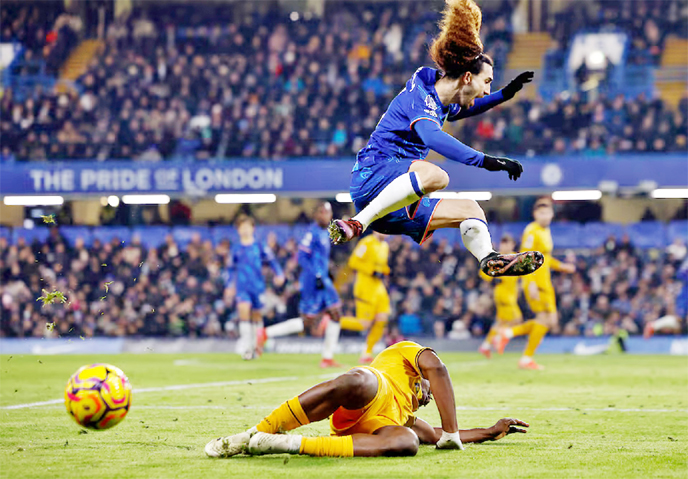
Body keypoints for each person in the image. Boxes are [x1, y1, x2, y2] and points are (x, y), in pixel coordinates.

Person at [329, 0, 543, 279]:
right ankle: (357, 223)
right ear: (467, 77)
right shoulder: (421, 96)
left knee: (471, 209)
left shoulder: (441, 99)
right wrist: (489, 162)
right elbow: (432, 137)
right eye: (487, 82)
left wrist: (505, 94)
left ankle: (489, 259)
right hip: (373, 176)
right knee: (437, 176)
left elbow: (464, 109)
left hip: (394, 205)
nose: (486, 90)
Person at [205, 341, 529, 458]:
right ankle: (254, 433)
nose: (428, 395)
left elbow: (437, 437)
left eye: (427, 398)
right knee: (356, 380)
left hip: (361, 432)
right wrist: (452, 431)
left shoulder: (407, 417)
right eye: (428, 389)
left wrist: (490, 431)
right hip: (370, 389)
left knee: (408, 442)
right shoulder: (402, 356)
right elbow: (437, 368)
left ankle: (281, 444)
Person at [493, 198, 575, 370]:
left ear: (552, 214)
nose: (545, 216)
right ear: (535, 214)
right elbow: (526, 257)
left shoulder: (546, 231)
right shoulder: (531, 231)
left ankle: (509, 335)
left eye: (547, 212)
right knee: (546, 320)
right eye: (541, 213)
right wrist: (529, 283)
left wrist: (562, 267)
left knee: (549, 321)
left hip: (545, 282)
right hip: (536, 283)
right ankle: (523, 354)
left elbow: (546, 258)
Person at [258, 203, 343, 367]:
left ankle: (327, 357)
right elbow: (302, 257)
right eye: (322, 212)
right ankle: (265, 333)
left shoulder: (326, 232)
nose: (325, 215)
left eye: (328, 212)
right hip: (313, 282)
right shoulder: (312, 233)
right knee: (307, 322)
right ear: (316, 215)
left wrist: (328, 270)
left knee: (336, 313)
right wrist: (316, 274)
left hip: (323, 280)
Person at [229, 215, 284, 360]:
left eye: (247, 227)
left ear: (253, 229)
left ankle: (257, 346)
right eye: (242, 227)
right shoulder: (236, 248)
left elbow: (272, 261)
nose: (245, 230)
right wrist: (229, 285)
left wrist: (279, 274)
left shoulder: (259, 246)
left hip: (257, 287)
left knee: (256, 317)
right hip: (242, 287)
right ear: (238, 230)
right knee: (243, 313)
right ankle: (247, 348)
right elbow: (230, 268)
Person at [339, 231, 391, 364]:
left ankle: (367, 353)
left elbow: (381, 266)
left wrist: (385, 271)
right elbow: (353, 262)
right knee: (364, 324)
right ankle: (335, 321)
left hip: (379, 288)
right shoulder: (366, 242)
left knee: (382, 318)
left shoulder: (385, 246)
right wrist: (371, 271)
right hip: (365, 288)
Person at [478, 234, 522, 358]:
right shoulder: (496, 258)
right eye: (503, 243)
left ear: (513, 245)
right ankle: (499, 338)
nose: (505, 245)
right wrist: (494, 279)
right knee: (517, 320)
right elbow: (483, 273)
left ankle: (485, 346)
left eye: (508, 243)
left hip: (510, 295)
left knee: (500, 322)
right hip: (503, 295)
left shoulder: (516, 257)